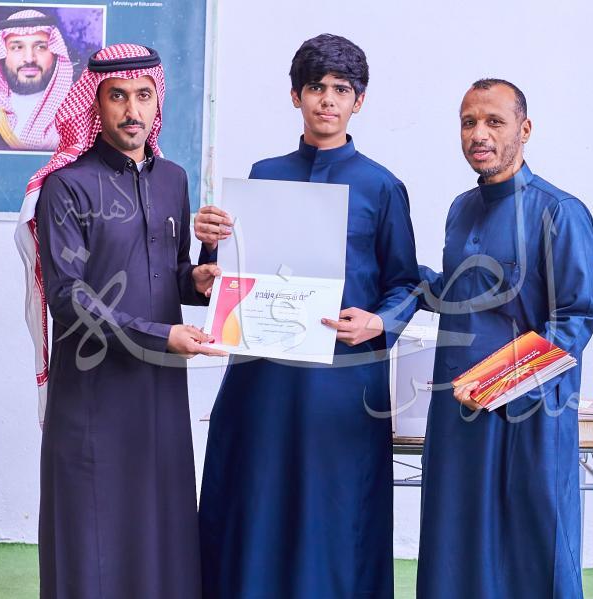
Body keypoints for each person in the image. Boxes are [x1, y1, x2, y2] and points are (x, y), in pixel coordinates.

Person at [195, 34, 419, 598]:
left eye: (341, 89)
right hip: (262, 375)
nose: (327, 100)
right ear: (295, 95)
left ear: (359, 101)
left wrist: (379, 322)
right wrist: (211, 244)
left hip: (342, 379)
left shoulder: (382, 186)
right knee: (256, 497)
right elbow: (230, 274)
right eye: (316, 87)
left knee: (336, 506)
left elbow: (406, 282)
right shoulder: (262, 174)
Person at [13, 43, 225, 598]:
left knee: (159, 526)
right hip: (94, 391)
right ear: (96, 104)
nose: (132, 110)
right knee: (92, 533)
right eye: (117, 96)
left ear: (158, 102)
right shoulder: (67, 185)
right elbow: (69, 297)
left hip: (160, 389)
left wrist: (201, 276)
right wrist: (162, 336)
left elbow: (169, 274)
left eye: (143, 96)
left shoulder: (173, 179)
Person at [415, 78, 593, 598]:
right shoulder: (460, 209)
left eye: (494, 121)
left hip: (529, 417)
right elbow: (456, 292)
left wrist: (499, 384)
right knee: (455, 550)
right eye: (468, 122)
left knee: (531, 555)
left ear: (525, 128)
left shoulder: (559, 212)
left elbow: (573, 320)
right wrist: (387, 275)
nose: (480, 134)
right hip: (458, 414)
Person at [0, 9, 72, 151]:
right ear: (2, 56)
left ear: (55, 54)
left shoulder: (76, 117)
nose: (29, 58)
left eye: (40, 47)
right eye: (17, 47)